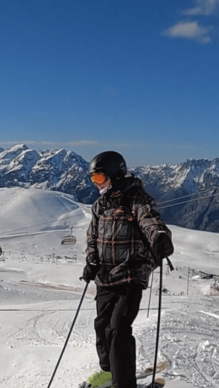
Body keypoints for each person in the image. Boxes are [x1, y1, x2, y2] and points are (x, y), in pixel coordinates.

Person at [81, 151, 174, 388]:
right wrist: (91, 260)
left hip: (130, 275)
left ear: (115, 175)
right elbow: (92, 237)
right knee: (102, 327)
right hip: (104, 278)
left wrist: (160, 236)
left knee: (118, 329)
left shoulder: (136, 198)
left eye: (100, 178)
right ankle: (108, 371)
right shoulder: (99, 205)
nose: (97, 185)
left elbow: (150, 220)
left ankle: (123, 383)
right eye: (94, 180)